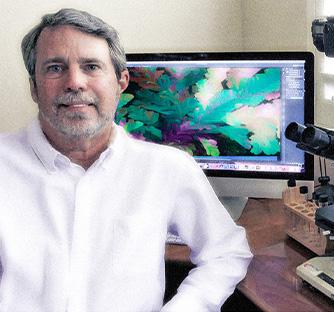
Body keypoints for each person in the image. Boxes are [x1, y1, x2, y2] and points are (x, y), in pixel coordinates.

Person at [0, 8, 252, 311]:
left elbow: (226, 251)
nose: (75, 82)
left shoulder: (167, 169)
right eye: (55, 68)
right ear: (34, 88)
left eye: (91, 66)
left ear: (121, 82)